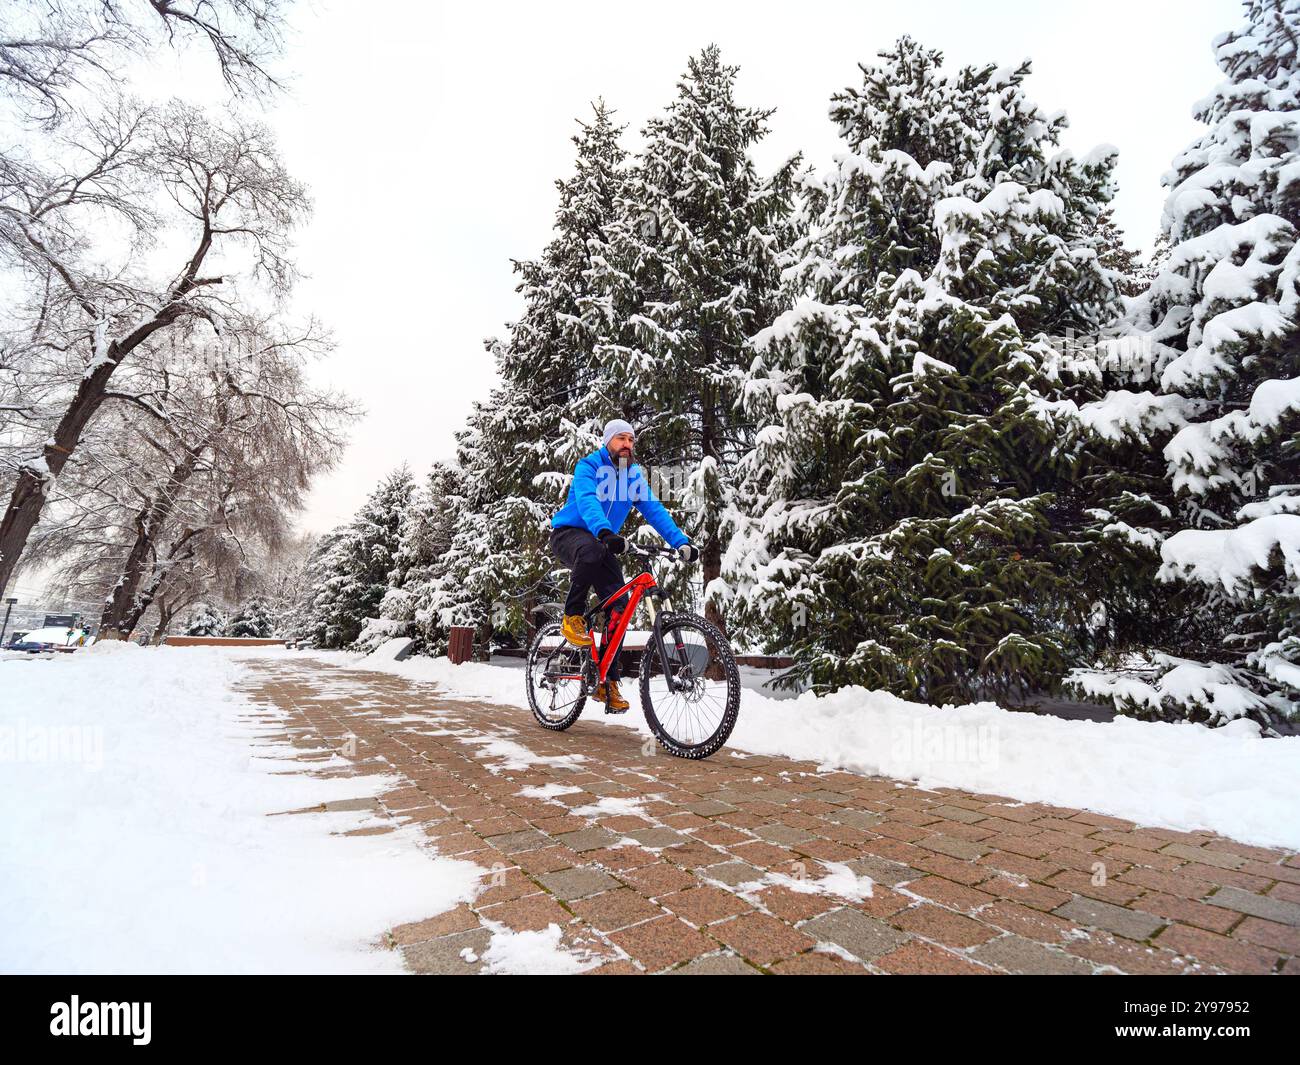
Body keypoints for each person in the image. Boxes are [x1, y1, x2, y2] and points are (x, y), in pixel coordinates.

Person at [549, 419, 698, 712]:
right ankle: (572, 616)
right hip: (569, 534)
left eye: (631, 440)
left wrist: (681, 542)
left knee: (620, 606)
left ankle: (607, 682)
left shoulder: (632, 477)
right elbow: (589, 501)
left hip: (603, 542)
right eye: (621, 439)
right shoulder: (588, 467)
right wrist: (605, 531)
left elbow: (654, 509)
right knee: (591, 549)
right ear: (607, 442)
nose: (627, 445)